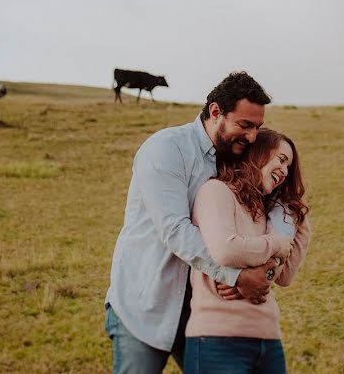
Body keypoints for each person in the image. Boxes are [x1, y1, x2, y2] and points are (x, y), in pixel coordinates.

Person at [105, 72, 293, 373]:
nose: (252, 137)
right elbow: (176, 231)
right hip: (145, 302)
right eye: (244, 125)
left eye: (257, 127)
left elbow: (273, 203)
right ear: (216, 111)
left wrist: (268, 266)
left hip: (202, 311)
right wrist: (237, 276)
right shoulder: (166, 149)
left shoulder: (235, 157)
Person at [184, 128, 311, 374]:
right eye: (281, 160)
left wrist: (299, 220)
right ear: (258, 153)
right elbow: (226, 250)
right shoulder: (216, 191)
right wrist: (276, 244)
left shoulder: (268, 212)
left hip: (268, 338)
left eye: (288, 167)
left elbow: (283, 276)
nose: (284, 172)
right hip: (217, 338)